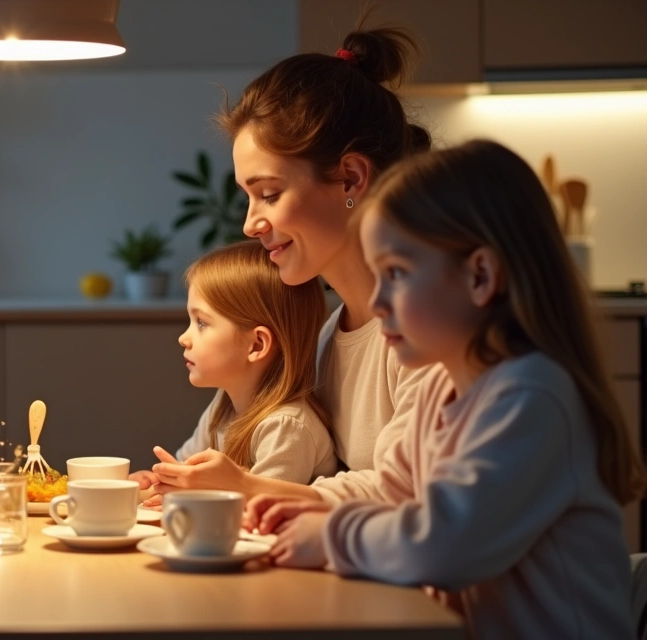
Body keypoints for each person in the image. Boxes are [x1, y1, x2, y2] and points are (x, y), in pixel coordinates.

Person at [247, 140, 646, 639]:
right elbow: (395, 491)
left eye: (394, 274)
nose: (377, 298)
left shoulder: (532, 396)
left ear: (480, 275)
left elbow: (447, 546)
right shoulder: (440, 385)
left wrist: (332, 533)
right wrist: (316, 505)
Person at [147, 25, 433, 503]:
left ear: (351, 179)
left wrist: (244, 487)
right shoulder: (327, 339)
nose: (250, 224)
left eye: (269, 194)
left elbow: (408, 489)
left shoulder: (425, 328)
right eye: (247, 197)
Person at [129, 241, 335, 490]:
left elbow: (261, 511)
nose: (183, 338)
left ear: (257, 345)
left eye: (201, 323)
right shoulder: (223, 405)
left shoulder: (286, 426)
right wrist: (159, 479)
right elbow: (186, 471)